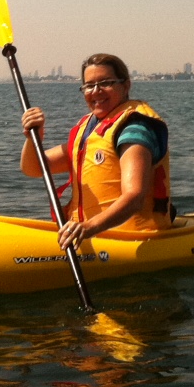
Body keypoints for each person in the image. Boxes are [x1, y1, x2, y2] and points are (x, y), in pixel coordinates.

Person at [20, 53, 171, 250]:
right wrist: (34, 138)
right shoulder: (88, 128)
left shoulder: (134, 129)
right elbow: (35, 168)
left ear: (126, 86)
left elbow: (134, 196)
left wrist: (88, 227)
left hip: (132, 240)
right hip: (90, 235)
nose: (96, 91)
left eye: (106, 82)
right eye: (89, 85)